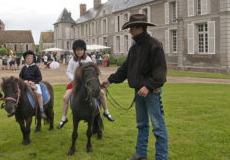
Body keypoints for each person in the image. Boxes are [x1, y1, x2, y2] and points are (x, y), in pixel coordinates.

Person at [101, 14, 168, 160]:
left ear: (140, 27)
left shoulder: (154, 46)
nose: (130, 31)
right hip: (139, 92)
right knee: (141, 124)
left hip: (152, 92)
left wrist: (148, 87)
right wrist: (109, 80)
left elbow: (160, 73)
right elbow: (125, 70)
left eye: (132, 27)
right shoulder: (134, 48)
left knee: (158, 126)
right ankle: (141, 155)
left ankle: (162, 157)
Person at [57, 39, 114, 129]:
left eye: (81, 50)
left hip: (88, 82)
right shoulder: (72, 60)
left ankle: (106, 112)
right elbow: (68, 72)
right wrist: (74, 79)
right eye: (77, 50)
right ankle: (63, 118)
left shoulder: (88, 59)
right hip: (75, 83)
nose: (79, 52)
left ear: (84, 50)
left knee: (102, 93)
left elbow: (92, 70)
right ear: (75, 51)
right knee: (65, 98)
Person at [19, 50, 47, 118]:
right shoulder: (24, 68)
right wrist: (23, 81)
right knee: (18, 93)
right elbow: (20, 76)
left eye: (30, 58)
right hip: (25, 84)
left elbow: (39, 77)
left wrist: (33, 82)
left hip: (34, 84)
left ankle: (41, 110)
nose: (28, 60)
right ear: (25, 59)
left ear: (33, 59)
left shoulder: (36, 67)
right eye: (27, 58)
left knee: (39, 94)